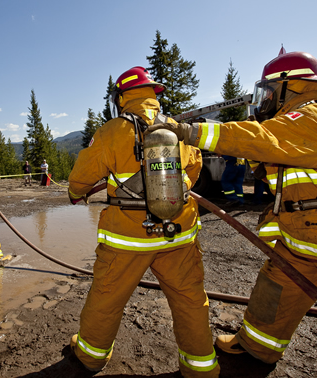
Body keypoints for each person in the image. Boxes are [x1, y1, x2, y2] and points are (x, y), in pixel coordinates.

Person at [146, 50, 317, 364]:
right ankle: (256, 347)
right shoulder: (300, 120)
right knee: (274, 291)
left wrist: (192, 132)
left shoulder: (312, 115)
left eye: (271, 91)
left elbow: (260, 138)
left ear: (292, 85)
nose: (267, 99)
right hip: (306, 238)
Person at [67, 66, 219, 377]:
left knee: (106, 297)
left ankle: (91, 357)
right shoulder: (178, 128)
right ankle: (201, 367)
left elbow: (82, 176)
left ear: (121, 97)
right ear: (154, 96)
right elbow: (194, 168)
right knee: (190, 299)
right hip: (179, 231)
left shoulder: (112, 131)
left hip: (128, 237)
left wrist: (75, 192)